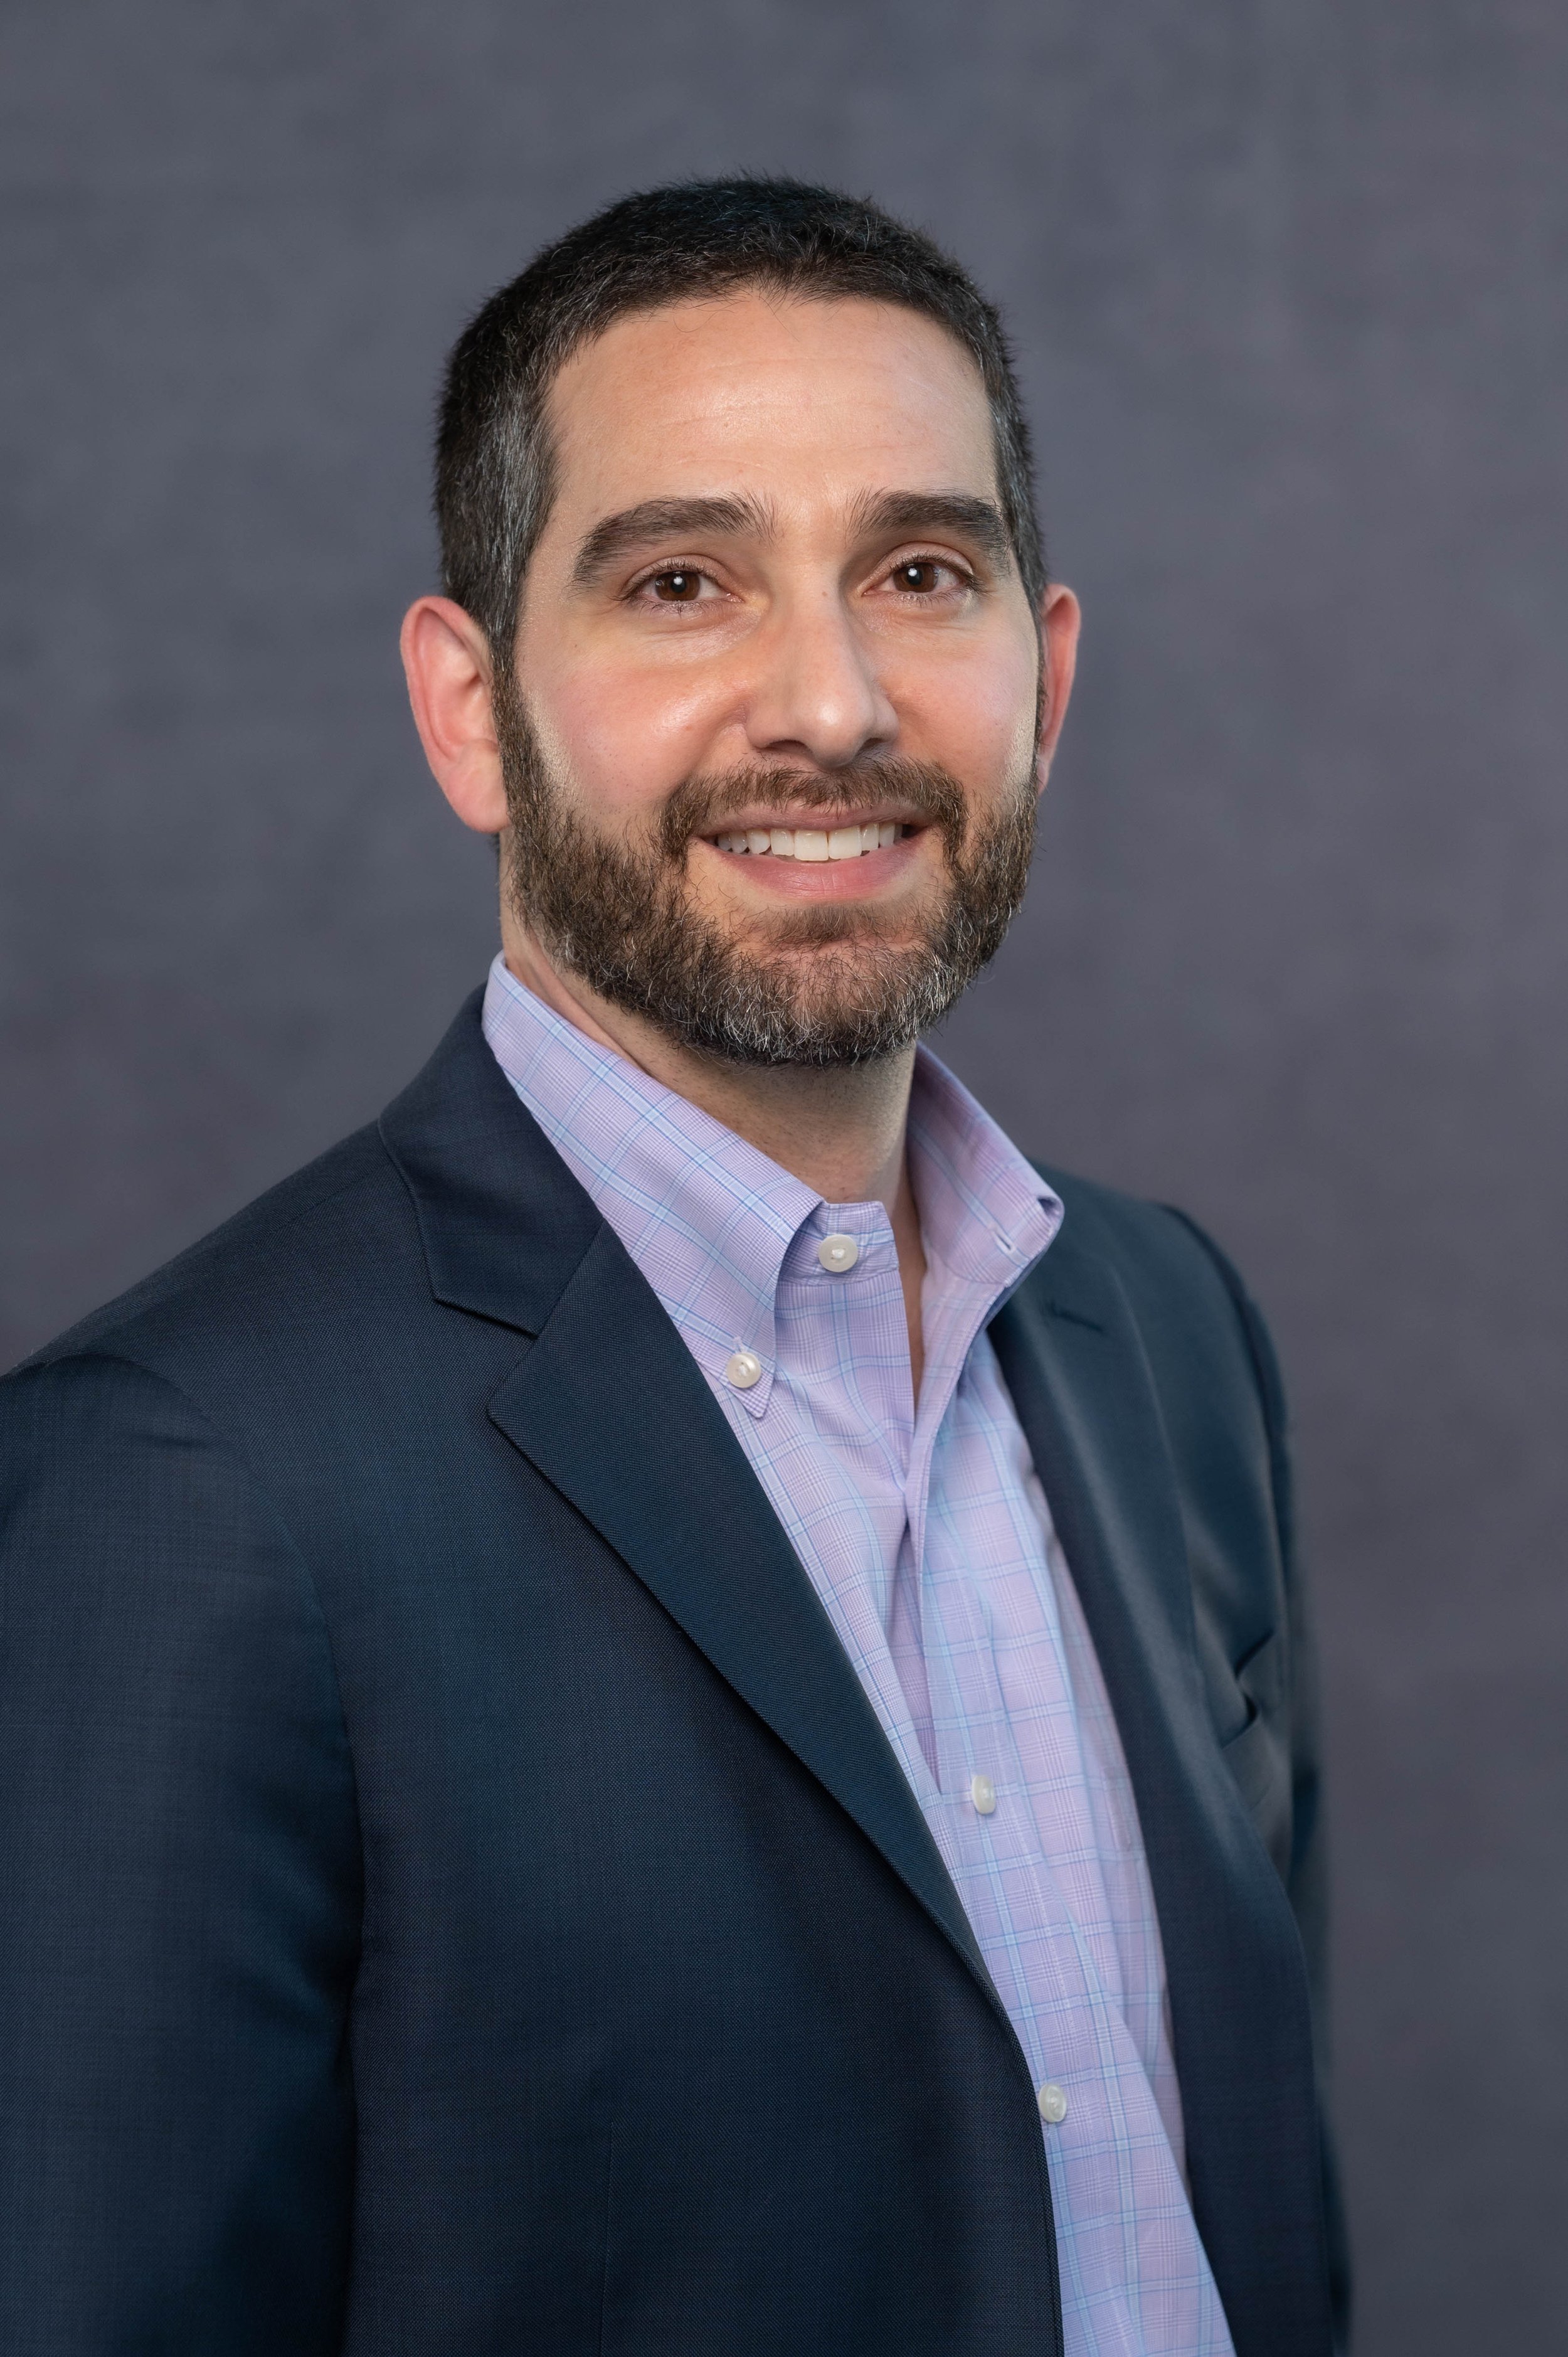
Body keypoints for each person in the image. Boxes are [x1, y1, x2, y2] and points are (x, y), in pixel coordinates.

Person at [0, 179, 1345, 2356]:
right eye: (680, 583)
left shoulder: (1165, 1339)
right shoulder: (177, 1493)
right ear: (469, 710)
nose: (825, 702)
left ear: (1047, 669)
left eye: (921, 572)